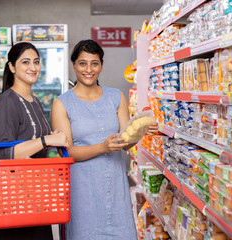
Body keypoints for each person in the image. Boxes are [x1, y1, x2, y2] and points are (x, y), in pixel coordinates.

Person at [51, 39, 158, 240]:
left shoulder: (116, 97)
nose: (88, 69)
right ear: (73, 65)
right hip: (83, 191)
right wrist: (102, 147)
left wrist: (142, 129)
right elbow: (66, 152)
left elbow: (126, 141)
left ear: (101, 65)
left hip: (115, 186)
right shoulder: (62, 104)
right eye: (82, 63)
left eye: (94, 63)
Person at [0, 42, 70, 240]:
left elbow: (32, 141)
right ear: (12, 67)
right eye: (25, 62)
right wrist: (47, 139)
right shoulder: (7, 101)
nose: (33, 67)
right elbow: (5, 154)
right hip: (12, 200)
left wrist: (52, 139)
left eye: (36, 62)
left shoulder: (35, 100)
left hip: (34, 196)